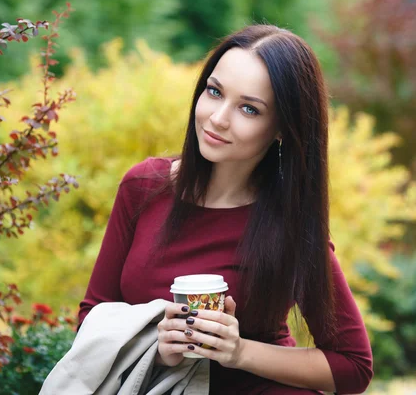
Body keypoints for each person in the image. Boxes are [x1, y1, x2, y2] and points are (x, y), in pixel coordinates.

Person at [78, 24, 373, 394]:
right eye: (214, 92)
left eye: (249, 109)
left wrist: (237, 352)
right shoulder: (143, 187)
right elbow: (92, 318)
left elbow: (353, 366)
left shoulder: (290, 224)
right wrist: (158, 350)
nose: (218, 118)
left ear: (282, 129)